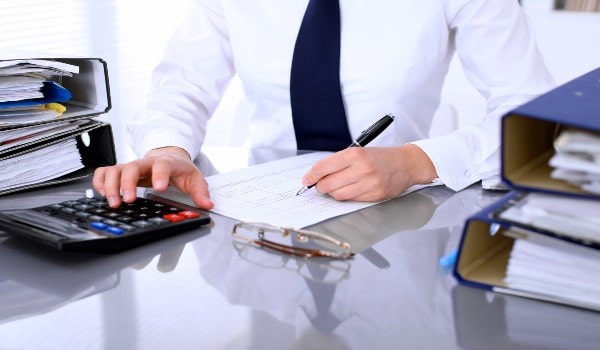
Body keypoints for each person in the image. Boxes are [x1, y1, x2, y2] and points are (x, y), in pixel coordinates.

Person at [93, 0, 555, 210]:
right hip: (260, 207)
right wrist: (167, 149)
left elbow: (539, 118)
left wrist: (417, 161)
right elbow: (181, 86)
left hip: (405, 217)